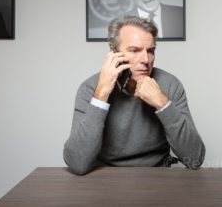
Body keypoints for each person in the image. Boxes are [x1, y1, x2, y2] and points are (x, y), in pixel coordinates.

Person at [63, 15, 205, 175]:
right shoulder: (90, 88)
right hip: (104, 177)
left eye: (151, 51)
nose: (145, 59)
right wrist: (101, 95)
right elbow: (77, 163)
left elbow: (195, 158)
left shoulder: (170, 85)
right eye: (134, 50)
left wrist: (163, 104)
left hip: (158, 177)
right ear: (113, 51)